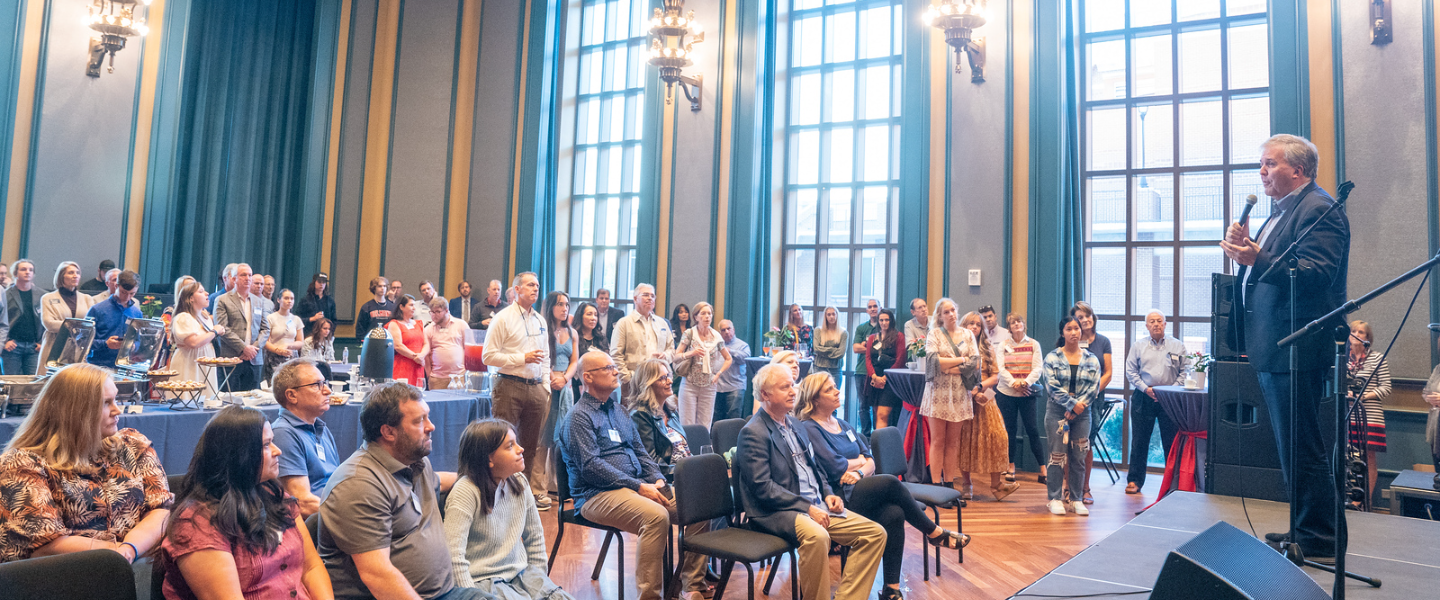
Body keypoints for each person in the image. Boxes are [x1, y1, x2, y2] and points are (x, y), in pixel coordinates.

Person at [1219, 134, 1348, 561]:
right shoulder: (1284, 211)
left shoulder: (1319, 209)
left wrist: (1258, 259)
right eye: (1261, 164)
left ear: (1298, 169)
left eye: (1270, 164)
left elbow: (1316, 273)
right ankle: (1304, 529)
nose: (1262, 172)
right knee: (1293, 445)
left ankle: (1321, 538)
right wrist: (1247, 251)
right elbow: (1273, 265)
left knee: (1303, 445)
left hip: (1297, 346)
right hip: (1273, 346)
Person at [795, 372, 966, 599]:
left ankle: (891, 589)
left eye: (835, 387)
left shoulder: (843, 424)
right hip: (837, 496)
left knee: (894, 513)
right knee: (890, 482)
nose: (837, 391)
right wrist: (861, 464)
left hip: (859, 487)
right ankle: (932, 531)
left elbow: (871, 458)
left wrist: (857, 470)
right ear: (814, 399)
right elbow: (835, 467)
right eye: (829, 390)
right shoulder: (810, 427)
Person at [561, 350, 708, 600]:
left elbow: (641, 452)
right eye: (607, 368)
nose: (615, 371)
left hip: (636, 486)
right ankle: (650, 596)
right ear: (587, 377)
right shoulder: (578, 417)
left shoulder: (619, 411)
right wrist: (638, 486)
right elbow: (590, 466)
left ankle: (690, 586)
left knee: (699, 507)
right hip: (596, 494)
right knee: (656, 517)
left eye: (613, 367)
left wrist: (656, 479)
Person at [318, 382, 482, 600]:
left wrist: (483, 479)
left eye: (428, 417)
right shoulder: (358, 484)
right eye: (419, 421)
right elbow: (378, 575)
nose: (431, 426)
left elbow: (438, 482)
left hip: (443, 593)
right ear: (388, 432)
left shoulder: (414, 461)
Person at [735, 363, 886, 600]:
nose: (794, 391)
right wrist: (807, 507)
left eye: (793, 385)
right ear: (765, 394)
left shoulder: (795, 424)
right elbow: (762, 488)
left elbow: (815, 469)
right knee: (818, 536)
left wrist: (828, 493)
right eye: (785, 387)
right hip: (777, 511)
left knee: (874, 533)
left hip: (816, 504)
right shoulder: (753, 432)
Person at [0, 363, 173, 563]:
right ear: (75, 411)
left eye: (115, 399)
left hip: (132, 563)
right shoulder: (22, 464)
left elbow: (160, 510)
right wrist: (115, 553)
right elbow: (44, 546)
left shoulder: (133, 445)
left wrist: (130, 549)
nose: (117, 410)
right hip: (63, 578)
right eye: (106, 402)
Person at [159, 405, 334, 600]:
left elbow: (311, 568)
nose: (278, 452)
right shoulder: (197, 524)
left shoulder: (275, 495)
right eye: (266, 445)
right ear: (239, 456)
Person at [444, 419, 573, 600]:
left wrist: (540, 579)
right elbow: (453, 556)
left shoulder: (519, 481)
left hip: (522, 574)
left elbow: (534, 537)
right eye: (510, 446)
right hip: (484, 581)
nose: (520, 449)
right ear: (489, 458)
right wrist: (471, 595)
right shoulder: (465, 491)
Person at [483, 272, 552, 512]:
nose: (536, 289)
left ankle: (519, 498)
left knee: (529, 448)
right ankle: (496, 497)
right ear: (516, 290)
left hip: (536, 389)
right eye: (531, 285)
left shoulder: (540, 321)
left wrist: (545, 386)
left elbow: (546, 357)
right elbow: (488, 356)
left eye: (537, 285)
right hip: (508, 385)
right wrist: (522, 358)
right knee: (502, 443)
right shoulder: (502, 318)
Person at [955, 311, 1019, 500]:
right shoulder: (958, 348)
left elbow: (995, 375)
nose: (974, 327)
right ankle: (967, 485)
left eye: (977, 324)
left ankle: (996, 485)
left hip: (986, 399)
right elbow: (955, 374)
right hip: (964, 400)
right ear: (963, 326)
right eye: (970, 324)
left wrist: (981, 387)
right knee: (965, 442)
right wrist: (972, 393)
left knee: (998, 437)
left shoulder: (987, 347)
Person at [1123, 310, 1185, 494]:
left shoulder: (1177, 345)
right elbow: (1130, 371)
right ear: (1147, 326)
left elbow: (1185, 370)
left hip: (1170, 398)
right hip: (1144, 396)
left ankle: (1173, 484)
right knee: (1140, 440)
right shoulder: (1138, 346)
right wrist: (1145, 388)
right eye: (1152, 321)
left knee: (1171, 441)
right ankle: (1134, 480)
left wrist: (1171, 390)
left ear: (1165, 324)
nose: (1156, 324)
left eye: (1160, 321)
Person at [1042, 316, 1100, 516]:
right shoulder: (1052, 358)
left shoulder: (1091, 358)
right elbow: (1051, 386)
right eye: (1069, 329)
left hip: (1083, 414)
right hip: (1057, 411)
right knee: (1057, 455)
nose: (1074, 332)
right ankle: (1055, 498)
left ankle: (1076, 499)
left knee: (1079, 456)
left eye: (1076, 328)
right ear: (1062, 333)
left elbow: (1094, 387)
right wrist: (1072, 405)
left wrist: (1078, 408)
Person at [271, 358, 341, 518]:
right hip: (320, 525)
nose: (328, 390)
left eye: (325, 383)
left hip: (334, 514)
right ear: (292, 395)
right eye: (317, 385)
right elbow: (302, 503)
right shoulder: (284, 433)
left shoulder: (319, 427)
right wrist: (354, 515)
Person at [918, 299, 977, 488]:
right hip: (938, 392)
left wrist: (949, 368)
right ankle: (936, 485)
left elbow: (974, 362)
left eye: (953, 310)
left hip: (959, 393)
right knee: (937, 441)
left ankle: (949, 484)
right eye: (946, 312)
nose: (951, 314)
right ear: (940, 316)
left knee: (953, 443)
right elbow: (933, 362)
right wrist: (960, 360)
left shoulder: (968, 334)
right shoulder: (934, 334)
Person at [1062, 301, 1111, 505]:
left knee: (1085, 443)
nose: (1084, 320)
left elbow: (1108, 372)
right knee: (1065, 442)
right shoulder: (1067, 340)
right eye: (1080, 317)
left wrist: (1088, 395)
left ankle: (1085, 488)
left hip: (1094, 399)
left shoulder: (1103, 341)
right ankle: (1066, 487)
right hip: (1068, 399)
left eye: (1087, 315)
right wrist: (1073, 400)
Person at [535, 291, 577, 507]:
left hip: (565, 386)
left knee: (563, 437)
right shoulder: (542, 329)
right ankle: (537, 489)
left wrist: (566, 378)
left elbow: (574, 361)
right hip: (548, 385)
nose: (564, 308)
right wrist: (553, 377)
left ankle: (560, 486)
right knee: (543, 437)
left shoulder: (572, 332)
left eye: (567, 304)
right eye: (560, 304)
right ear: (550, 306)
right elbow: (543, 358)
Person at [995, 312, 1047, 483]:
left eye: (1019, 321)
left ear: (1024, 325)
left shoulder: (1034, 344)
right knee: (1010, 430)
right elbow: (1000, 368)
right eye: (1013, 322)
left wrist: (1025, 383)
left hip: (1027, 392)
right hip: (1006, 393)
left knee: (1032, 429)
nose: (1016, 324)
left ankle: (1042, 469)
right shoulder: (1003, 345)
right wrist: (1014, 384)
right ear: (1009, 327)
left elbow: (1038, 367)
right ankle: (1010, 466)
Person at [1345, 320, 1390, 505]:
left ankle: (1364, 501)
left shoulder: (1377, 358)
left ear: (1367, 337)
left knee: (1368, 458)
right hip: (1346, 415)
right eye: (1353, 330)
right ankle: (1349, 497)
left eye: (1361, 331)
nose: (1356, 333)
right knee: (1347, 457)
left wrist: (1362, 396)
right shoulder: (1342, 358)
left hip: (1369, 415)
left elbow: (1386, 388)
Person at [627, 359, 690, 480]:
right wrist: (684, 471)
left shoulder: (670, 411)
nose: (670, 381)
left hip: (686, 474)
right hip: (666, 480)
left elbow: (685, 451)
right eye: (662, 378)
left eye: (668, 376)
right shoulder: (641, 415)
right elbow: (650, 462)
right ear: (648, 384)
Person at [608, 283, 674, 398]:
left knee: (658, 415)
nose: (650, 298)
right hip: (634, 382)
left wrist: (665, 356)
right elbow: (615, 354)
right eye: (645, 295)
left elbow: (671, 349)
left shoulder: (662, 323)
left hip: (659, 380)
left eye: (652, 296)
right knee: (633, 415)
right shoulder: (624, 323)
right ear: (635, 299)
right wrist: (627, 379)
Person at [674, 301, 731, 428]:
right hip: (689, 384)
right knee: (687, 424)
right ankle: (688, 448)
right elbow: (676, 356)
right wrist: (691, 353)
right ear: (696, 317)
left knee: (705, 425)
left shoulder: (716, 336)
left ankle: (702, 448)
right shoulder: (690, 333)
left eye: (709, 314)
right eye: (703, 313)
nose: (707, 316)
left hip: (709, 386)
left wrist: (718, 374)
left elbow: (728, 358)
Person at [39, 261, 98, 374]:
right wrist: (78, 326)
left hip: (79, 346)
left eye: (77, 273)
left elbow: (92, 324)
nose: (75, 275)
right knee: (51, 381)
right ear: (61, 276)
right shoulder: (47, 298)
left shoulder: (87, 298)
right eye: (71, 273)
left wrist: (70, 325)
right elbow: (49, 323)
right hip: (55, 344)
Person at [214, 263, 264, 391]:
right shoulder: (222, 300)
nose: (247, 278)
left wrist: (253, 349)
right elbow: (222, 328)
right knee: (229, 403)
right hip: (232, 358)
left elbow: (265, 329)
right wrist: (243, 348)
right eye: (243, 275)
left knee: (253, 404)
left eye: (250, 275)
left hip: (254, 359)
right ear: (234, 279)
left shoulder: (259, 301)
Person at [171, 282, 223, 391]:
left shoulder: (205, 317)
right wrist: (215, 332)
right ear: (191, 299)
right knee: (189, 394)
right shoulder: (183, 317)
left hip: (205, 359)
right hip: (190, 361)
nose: (207, 293)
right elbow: (193, 342)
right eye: (201, 291)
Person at [85, 270, 142, 369]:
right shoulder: (97, 309)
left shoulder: (137, 313)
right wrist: (105, 344)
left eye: (132, 294)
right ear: (116, 286)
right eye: (123, 292)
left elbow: (139, 340)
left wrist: (134, 346)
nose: (127, 297)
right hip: (99, 365)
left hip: (126, 366)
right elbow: (83, 339)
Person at [863, 308, 905, 430]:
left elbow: (900, 360)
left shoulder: (899, 336)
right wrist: (874, 377)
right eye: (881, 320)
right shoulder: (872, 338)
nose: (884, 322)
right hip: (875, 380)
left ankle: (881, 447)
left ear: (891, 321)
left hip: (890, 380)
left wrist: (885, 378)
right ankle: (877, 447)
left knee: (883, 414)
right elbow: (868, 359)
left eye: (887, 320)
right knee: (877, 414)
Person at [3, 260, 43, 377]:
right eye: (23, 269)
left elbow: (45, 321)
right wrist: (5, 341)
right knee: (11, 383)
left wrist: (42, 342)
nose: (27, 272)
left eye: (30, 270)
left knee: (33, 383)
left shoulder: (42, 295)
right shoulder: (5, 295)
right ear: (15, 273)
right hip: (12, 346)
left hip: (34, 347)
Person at [851, 298, 881, 434]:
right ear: (866, 310)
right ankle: (865, 436)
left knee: (877, 406)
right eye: (870, 307)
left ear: (880, 308)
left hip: (879, 372)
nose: (873, 309)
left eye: (875, 306)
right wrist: (874, 347)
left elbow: (886, 348)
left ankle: (877, 436)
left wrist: (866, 344)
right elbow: (855, 348)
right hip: (862, 371)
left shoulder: (884, 326)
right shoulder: (861, 328)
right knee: (863, 406)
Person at [265, 289, 307, 383]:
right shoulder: (270, 318)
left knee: (291, 383)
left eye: (292, 298)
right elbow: (265, 342)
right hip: (274, 356)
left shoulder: (296, 319)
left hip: (291, 355)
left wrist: (288, 346)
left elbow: (300, 342)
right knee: (275, 384)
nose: (289, 301)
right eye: (286, 298)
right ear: (279, 300)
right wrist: (278, 350)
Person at [427, 297, 470, 390]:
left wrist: (467, 371)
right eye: (432, 312)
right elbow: (427, 354)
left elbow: (469, 349)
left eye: (437, 312)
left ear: (446, 310)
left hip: (459, 376)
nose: (434, 315)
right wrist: (429, 375)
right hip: (437, 378)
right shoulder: (428, 329)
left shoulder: (461, 325)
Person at [712, 319, 751, 422]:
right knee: (715, 418)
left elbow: (746, 359)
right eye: (723, 330)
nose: (726, 332)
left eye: (728, 329)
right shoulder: (715, 345)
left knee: (733, 418)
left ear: (733, 330)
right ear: (720, 332)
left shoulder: (743, 345)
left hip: (735, 387)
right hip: (717, 387)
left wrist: (730, 351)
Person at [387, 295, 429, 388]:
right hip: (403, 365)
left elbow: (426, 344)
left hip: (418, 365)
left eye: (414, 305)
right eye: (411, 305)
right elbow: (398, 346)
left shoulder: (419, 324)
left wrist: (421, 356)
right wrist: (415, 357)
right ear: (401, 307)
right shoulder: (394, 324)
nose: (414, 308)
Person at [571, 301, 607, 402]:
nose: (593, 318)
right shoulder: (573, 336)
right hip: (576, 383)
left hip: (597, 384)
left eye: (596, 315)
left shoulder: (601, 338)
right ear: (580, 316)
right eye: (589, 314)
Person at [811, 306, 849, 390]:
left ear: (837, 315)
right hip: (819, 368)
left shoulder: (843, 333)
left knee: (834, 394)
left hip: (836, 370)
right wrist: (833, 349)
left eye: (833, 314)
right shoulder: (818, 330)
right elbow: (816, 348)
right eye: (828, 314)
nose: (831, 317)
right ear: (825, 316)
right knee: (817, 394)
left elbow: (841, 353)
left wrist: (823, 351)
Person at [295, 273, 337, 339]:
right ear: (314, 283)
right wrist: (312, 318)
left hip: (325, 337)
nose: (321, 284)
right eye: (319, 282)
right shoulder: (305, 300)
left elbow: (334, 320)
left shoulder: (330, 301)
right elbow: (297, 319)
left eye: (324, 282)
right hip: (309, 335)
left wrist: (330, 332)